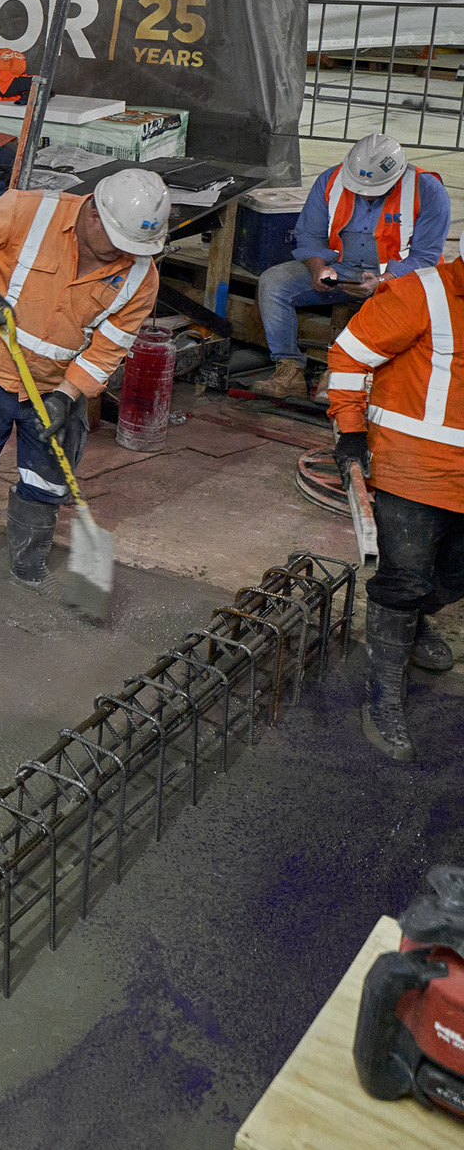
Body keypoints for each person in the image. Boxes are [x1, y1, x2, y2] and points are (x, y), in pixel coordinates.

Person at [0, 169, 170, 614]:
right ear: (95, 215)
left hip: (54, 387)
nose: (125, 255)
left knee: (47, 479)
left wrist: (68, 395)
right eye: (119, 241)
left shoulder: (142, 277)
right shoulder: (31, 211)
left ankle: (27, 565)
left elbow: (109, 347)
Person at [327, 258, 464, 762]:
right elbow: (347, 355)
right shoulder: (418, 295)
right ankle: (384, 693)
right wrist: (351, 428)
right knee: (404, 577)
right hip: (414, 463)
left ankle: (418, 618)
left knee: (453, 573)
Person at [255, 133, 447, 401]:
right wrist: (318, 269)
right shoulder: (331, 181)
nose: (365, 197)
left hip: (401, 279)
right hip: (342, 270)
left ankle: (339, 374)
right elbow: (309, 236)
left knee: (399, 303)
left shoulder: (427, 190)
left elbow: (425, 257)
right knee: (273, 283)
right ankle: (289, 370)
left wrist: (383, 281)